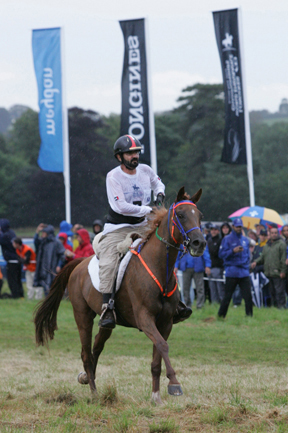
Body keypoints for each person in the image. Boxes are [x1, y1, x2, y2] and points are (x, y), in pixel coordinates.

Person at [95, 134, 191, 329]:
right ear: (119, 157)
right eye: (130, 153)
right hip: (118, 228)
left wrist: (160, 193)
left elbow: (158, 183)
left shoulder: (146, 170)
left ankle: (175, 303)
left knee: (164, 253)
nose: (135, 156)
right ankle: (107, 307)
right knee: (109, 260)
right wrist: (147, 210)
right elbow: (120, 206)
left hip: (143, 224)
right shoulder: (113, 176)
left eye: (136, 152)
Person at [218, 218, 253, 318]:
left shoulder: (245, 240)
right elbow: (221, 254)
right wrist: (233, 251)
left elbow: (247, 254)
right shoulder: (227, 239)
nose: (238, 228)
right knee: (227, 296)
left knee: (248, 296)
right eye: (237, 226)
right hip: (232, 271)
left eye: (240, 226)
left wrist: (247, 265)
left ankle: (249, 316)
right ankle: (221, 315)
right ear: (233, 226)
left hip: (244, 271)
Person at [251, 226, 286, 309]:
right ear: (269, 234)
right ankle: (274, 308)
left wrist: (283, 271)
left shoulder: (281, 244)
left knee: (279, 292)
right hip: (268, 273)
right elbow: (262, 257)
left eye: (275, 233)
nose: (274, 235)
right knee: (272, 292)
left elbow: (283, 259)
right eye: (272, 233)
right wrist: (256, 262)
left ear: (278, 234)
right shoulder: (267, 246)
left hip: (278, 273)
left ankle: (282, 308)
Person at [33, 224, 65, 297]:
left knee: (52, 287)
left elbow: (62, 255)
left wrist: (59, 265)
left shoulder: (57, 243)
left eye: (44, 232)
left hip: (52, 268)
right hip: (43, 269)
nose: (42, 234)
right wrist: (37, 232)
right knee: (45, 286)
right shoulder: (43, 242)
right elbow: (36, 243)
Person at [0, 219, 24, 299]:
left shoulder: (5, 235)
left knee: (12, 280)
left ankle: (15, 295)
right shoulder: (12, 232)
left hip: (11, 261)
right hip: (17, 259)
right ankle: (20, 294)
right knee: (17, 279)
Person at [207, 224, 225, 303]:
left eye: (215, 230)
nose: (213, 231)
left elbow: (215, 252)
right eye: (212, 230)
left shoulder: (221, 240)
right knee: (212, 287)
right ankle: (214, 303)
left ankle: (222, 302)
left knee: (219, 287)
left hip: (218, 267)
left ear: (218, 231)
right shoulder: (209, 240)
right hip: (210, 267)